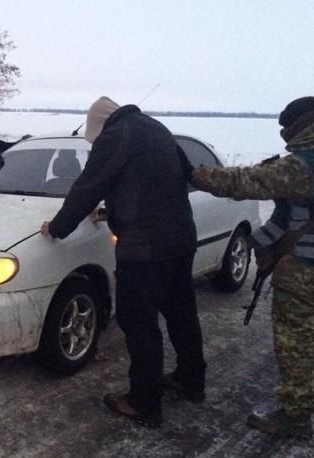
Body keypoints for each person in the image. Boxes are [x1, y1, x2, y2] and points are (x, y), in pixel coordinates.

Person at [40, 96, 206, 428]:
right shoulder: (157, 129)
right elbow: (177, 177)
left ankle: (144, 403)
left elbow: (89, 185)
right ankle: (191, 381)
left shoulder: (117, 135)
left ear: (102, 124)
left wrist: (58, 227)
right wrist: (114, 211)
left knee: (139, 322)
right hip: (180, 238)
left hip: (144, 250)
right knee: (181, 312)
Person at [191, 96, 314, 438]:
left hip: (306, 271)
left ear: (299, 127)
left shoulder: (302, 166)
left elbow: (246, 182)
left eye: (287, 129)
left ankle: (296, 416)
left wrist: (197, 176)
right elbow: (294, 216)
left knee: (296, 343)